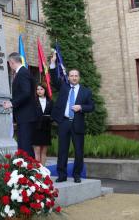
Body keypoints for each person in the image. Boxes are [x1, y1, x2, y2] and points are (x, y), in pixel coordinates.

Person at [50, 51, 94, 183]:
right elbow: (54, 79)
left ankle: (76, 175)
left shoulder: (86, 91)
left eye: (76, 76)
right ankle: (62, 175)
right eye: (71, 76)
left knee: (79, 152)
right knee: (62, 150)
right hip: (64, 123)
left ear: (79, 78)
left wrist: (81, 107)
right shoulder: (64, 87)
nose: (74, 78)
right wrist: (52, 64)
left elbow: (92, 106)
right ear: (68, 77)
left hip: (77, 123)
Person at [3, 52, 39, 158]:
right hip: (24, 116)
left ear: (12, 62)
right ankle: (27, 171)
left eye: (9, 63)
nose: (9, 65)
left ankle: (31, 172)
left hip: (26, 116)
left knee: (25, 147)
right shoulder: (23, 72)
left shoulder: (23, 73)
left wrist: (12, 103)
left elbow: (26, 93)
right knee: (23, 146)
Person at [33, 84, 53, 165]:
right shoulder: (33, 101)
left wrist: (50, 118)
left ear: (45, 90)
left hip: (46, 128)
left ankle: (43, 171)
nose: (39, 91)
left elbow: (53, 114)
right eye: (37, 89)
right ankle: (37, 172)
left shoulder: (50, 101)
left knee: (44, 152)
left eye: (41, 89)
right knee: (37, 151)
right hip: (36, 128)